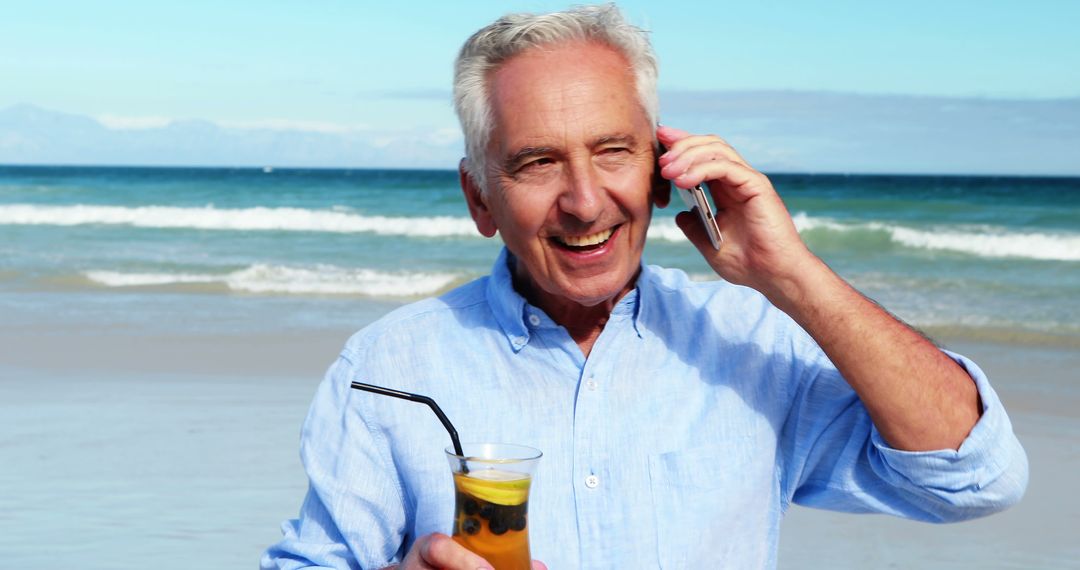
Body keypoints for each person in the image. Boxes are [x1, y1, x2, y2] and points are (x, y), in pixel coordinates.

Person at [263, 5, 1027, 569]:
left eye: (613, 151)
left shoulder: (750, 344)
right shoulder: (388, 369)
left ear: (662, 172)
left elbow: (974, 478)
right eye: (537, 162)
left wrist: (792, 274)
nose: (586, 201)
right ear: (479, 198)